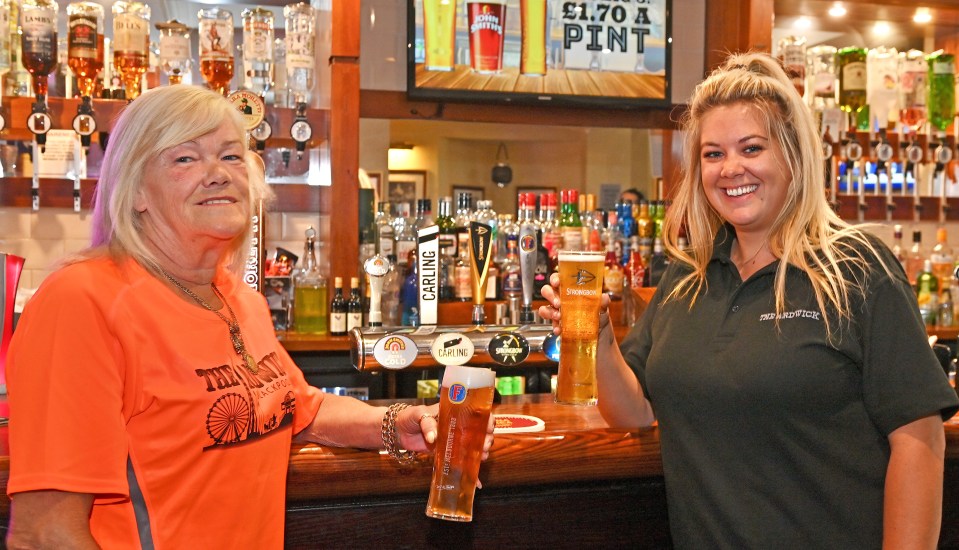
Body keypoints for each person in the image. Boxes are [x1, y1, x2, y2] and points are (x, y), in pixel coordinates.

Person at [5, 85, 493, 548]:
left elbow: (298, 407)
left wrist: (396, 422)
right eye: (185, 157)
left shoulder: (237, 298)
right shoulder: (82, 300)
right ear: (136, 192)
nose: (218, 172)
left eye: (231, 155)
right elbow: (45, 534)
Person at [540, 52, 959, 548]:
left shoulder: (857, 268)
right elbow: (634, 413)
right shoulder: (688, 274)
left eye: (751, 148)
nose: (730, 168)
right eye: (712, 154)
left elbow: (918, 438)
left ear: (793, 155)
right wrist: (600, 336)